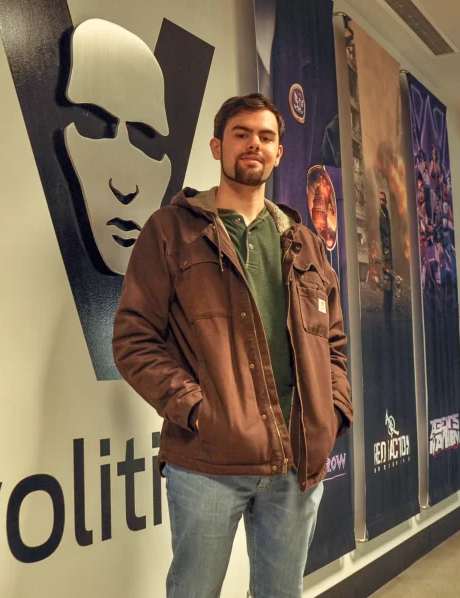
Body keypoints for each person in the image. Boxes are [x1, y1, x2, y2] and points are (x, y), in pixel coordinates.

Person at [112, 93, 352, 598]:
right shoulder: (171, 232)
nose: (254, 145)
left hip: (296, 461)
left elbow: (332, 343)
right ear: (218, 146)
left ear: (279, 153)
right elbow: (134, 340)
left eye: (266, 137)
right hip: (207, 462)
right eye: (241, 134)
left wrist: (333, 412)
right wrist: (199, 411)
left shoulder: (303, 243)